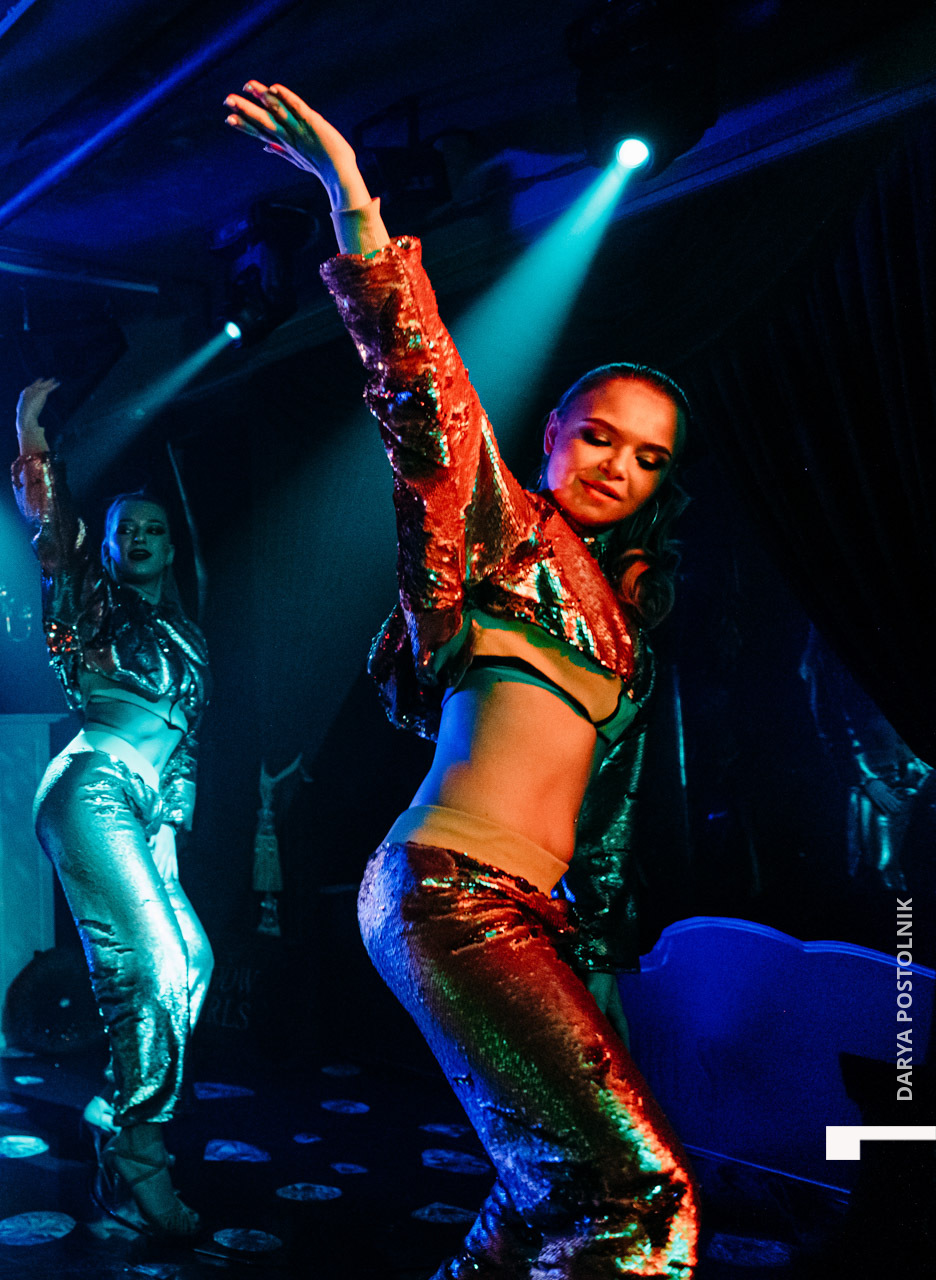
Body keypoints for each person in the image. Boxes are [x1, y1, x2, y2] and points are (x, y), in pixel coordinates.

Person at [225, 82, 699, 1276]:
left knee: (539, 1201)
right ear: (552, 435)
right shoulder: (505, 530)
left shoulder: (627, 633)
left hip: (536, 917)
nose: (618, 465)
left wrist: (599, 966)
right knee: (644, 1202)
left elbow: (606, 826)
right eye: (600, 434)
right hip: (448, 889)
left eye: (648, 457)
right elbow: (420, 383)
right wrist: (354, 201)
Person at [12, 377, 212, 1239]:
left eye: (153, 529)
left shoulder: (188, 638)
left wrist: (169, 841)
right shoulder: (90, 601)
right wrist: (34, 441)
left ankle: (117, 1109)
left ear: (171, 545)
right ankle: (139, 1152)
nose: (139, 539)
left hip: (143, 808)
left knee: (191, 961)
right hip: (90, 785)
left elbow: (185, 752)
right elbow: (55, 538)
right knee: (153, 967)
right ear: (110, 545)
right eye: (126, 530)